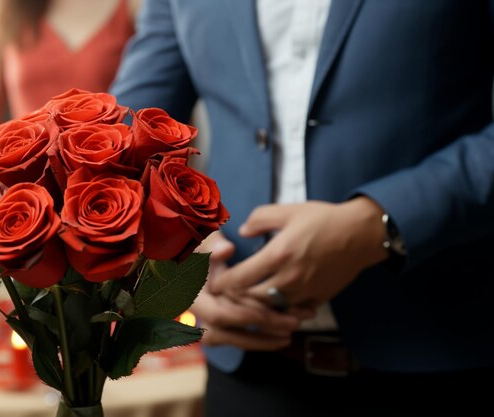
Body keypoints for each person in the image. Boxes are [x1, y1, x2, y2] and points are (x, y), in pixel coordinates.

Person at [111, 1, 494, 416]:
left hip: (443, 358)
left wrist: (378, 224)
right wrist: (179, 252)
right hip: (248, 375)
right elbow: (126, 138)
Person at [0, 0, 141, 155]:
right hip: (29, 184)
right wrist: (1, 169)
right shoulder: (1, 5)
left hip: (111, 179)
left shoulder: (135, 4)